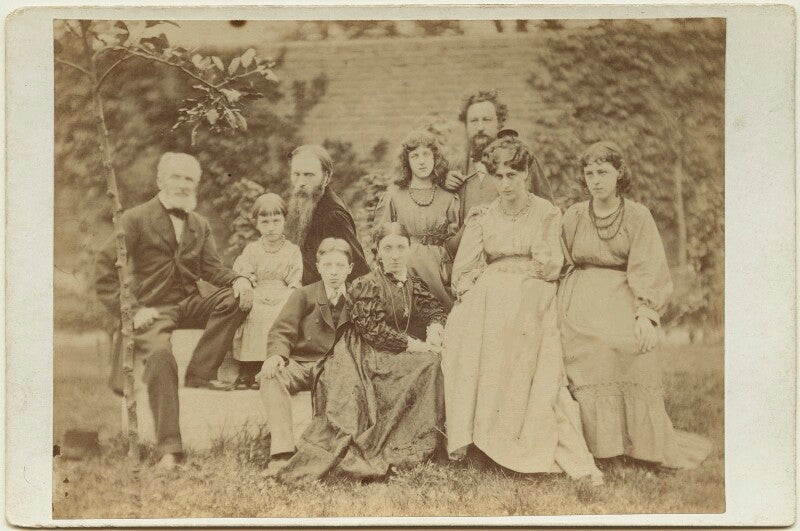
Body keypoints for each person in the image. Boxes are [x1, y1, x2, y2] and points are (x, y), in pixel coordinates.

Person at [442, 136, 603, 483]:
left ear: (526, 174)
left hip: (533, 290)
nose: (505, 184)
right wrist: (474, 290)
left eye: (513, 175)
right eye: (498, 177)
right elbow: (465, 271)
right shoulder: (482, 216)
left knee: (519, 327)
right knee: (468, 330)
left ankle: (515, 439)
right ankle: (482, 438)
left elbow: (549, 265)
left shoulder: (545, 212)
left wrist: (521, 278)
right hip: (491, 291)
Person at [94, 152, 254, 470]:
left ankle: (200, 372)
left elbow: (211, 268)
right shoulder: (135, 219)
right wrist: (133, 311)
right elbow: (103, 271)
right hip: (151, 310)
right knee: (160, 357)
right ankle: (170, 448)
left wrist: (239, 280)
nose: (182, 185)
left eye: (189, 179)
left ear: (196, 185)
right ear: (160, 181)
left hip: (189, 304)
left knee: (235, 299)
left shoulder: (199, 224)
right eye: (176, 177)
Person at [558, 141, 711, 471]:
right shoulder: (573, 216)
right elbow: (562, 261)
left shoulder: (638, 216)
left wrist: (645, 312)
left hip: (623, 293)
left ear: (619, 173)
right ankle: (597, 448)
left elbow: (646, 266)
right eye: (589, 173)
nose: (596, 180)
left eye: (603, 172)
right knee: (592, 346)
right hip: (579, 298)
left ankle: (637, 446)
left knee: (628, 344)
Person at [276, 222, 447, 483]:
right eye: (387, 248)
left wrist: (435, 328)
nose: (394, 254)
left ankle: (420, 441)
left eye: (401, 248)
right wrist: (417, 345)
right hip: (367, 352)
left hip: (393, 349)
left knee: (433, 362)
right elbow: (374, 331)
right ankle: (392, 445)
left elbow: (432, 308)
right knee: (427, 361)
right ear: (377, 251)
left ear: (409, 250)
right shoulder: (365, 284)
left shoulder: (413, 282)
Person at [260, 238, 354, 472]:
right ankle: (281, 452)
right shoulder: (303, 295)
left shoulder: (358, 297)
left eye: (340, 266)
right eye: (328, 265)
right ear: (318, 266)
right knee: (271, 376)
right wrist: (276, 356)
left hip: (336, 367)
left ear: (350, 268)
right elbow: (282, 329)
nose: (333, 272)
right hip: (302, 364)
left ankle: (336, 453)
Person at [375, 129, 460, 311]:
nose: (421, 161)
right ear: (407, 162)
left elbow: (454, 242)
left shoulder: (448, 198)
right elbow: (380, 238)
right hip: (405, 263)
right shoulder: (394, 195)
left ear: (435, 158)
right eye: (415, 156)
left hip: (439, 270)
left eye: (426, 155)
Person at [442, 90, 554, 219]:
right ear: (466, 126)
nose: (480, 127)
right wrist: (444, 185)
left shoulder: (520, 158)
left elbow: (547, 210)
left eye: (487, 120)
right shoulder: (456, 166)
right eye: (473, 121)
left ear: (499, 124)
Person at [231, 193, 303, 390]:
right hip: (258, 292)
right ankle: (247, 368)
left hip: (282, 293)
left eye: (276, 221)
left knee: (279, 311)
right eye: (265, 222)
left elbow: (295, 280)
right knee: (254, 311)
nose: (271, 227)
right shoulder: (252, 249)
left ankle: (268, 367)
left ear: (284, 221)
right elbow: (244, 273)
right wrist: (251, 286)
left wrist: (287, 294)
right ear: (256, 223)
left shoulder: (292, 250)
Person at [285, 144, 369, 286]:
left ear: (326, 177)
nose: (301, 182)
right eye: (296, 174)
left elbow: (358, 270)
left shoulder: (333, 215)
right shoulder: (303, 203)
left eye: (309, 175)